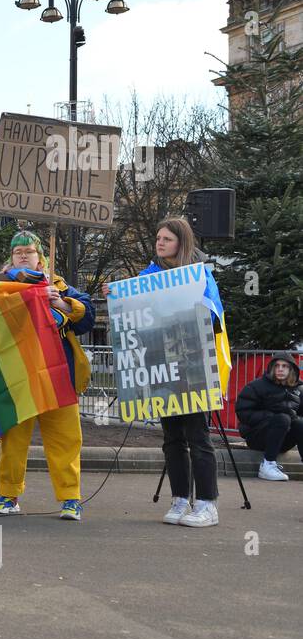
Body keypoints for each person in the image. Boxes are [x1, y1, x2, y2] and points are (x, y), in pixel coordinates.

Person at [0, 230, 94, 521]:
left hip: (59, 377)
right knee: (13, 439)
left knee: (66, 439)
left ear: (41, 259)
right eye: (17, 252)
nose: (22, 255)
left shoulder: (59, 286)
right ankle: (8, 495)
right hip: (20, 378)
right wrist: (31, 298)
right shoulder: (0, 286)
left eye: (28, 252)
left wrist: (60, 304)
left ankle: (70, 499)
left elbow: (88, 318)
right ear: (10, 258)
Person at [130, 218, 231, 526]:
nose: (160, 243)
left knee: (199, 437)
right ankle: (179, 500)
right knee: (172, 438)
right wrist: (116, 294)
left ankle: (207, 504)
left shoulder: (199, 274)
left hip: (196, 365)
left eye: (167, 239)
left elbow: (214, 318)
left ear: (181, 243)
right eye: (158, 238)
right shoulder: (147, 277)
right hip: (163, 366)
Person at [236, 352, 303, 481]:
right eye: (277, 366)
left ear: (291, 369)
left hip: (283, 439)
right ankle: (267, 465)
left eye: (284, 366)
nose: (280, 369)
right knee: (282, 418)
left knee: (299, 423)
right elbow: (243, 412)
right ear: (272, 368)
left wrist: (293, 418)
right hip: (257, 437)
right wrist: (271, 416)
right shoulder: (256, 386)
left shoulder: (299, 389)